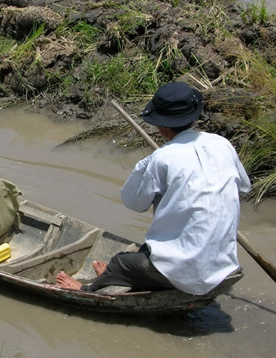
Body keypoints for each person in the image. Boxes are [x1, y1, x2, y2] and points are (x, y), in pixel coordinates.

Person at [56, 82, 251, 296]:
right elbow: (243, 186)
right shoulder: (222, 144)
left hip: (187, 267)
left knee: (121, 262)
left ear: (162, 127)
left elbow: (134, 202)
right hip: (222, 263)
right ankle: (128, 277)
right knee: (150, 249)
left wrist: (148, 165)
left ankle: (87, 287)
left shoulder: (162, 158)